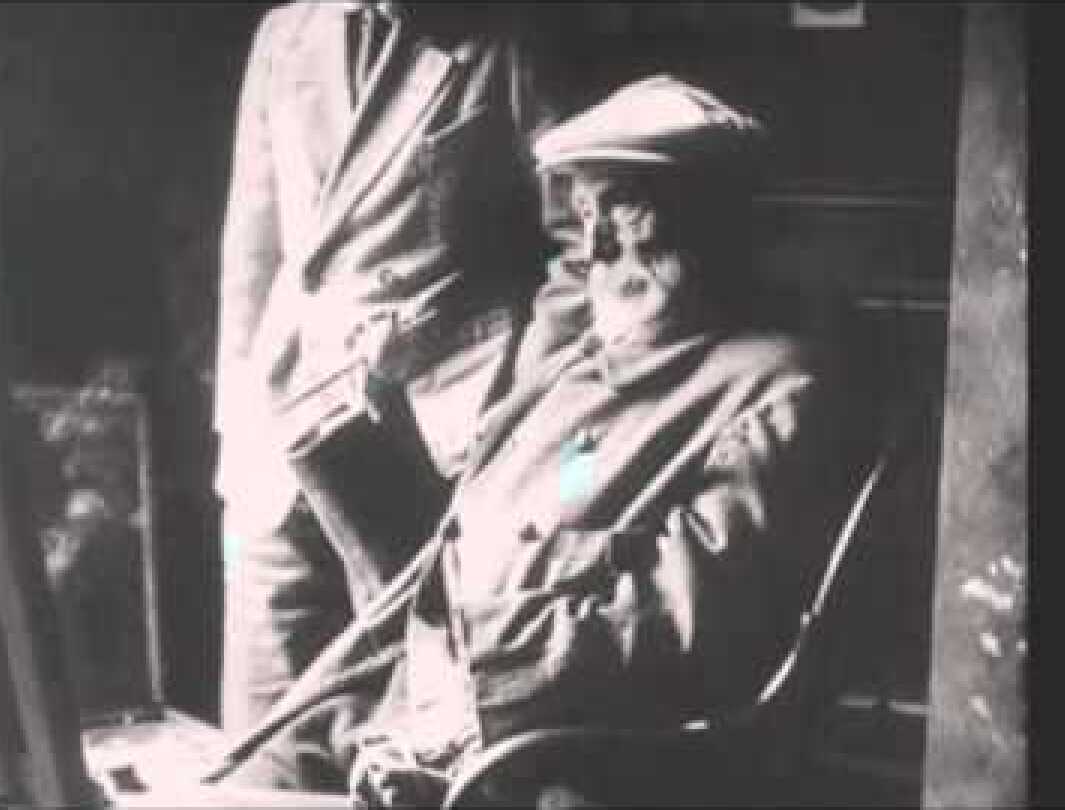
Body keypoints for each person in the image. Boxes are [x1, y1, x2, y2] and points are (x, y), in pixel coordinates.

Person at [207, 75, 868, 805]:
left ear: (710, 221)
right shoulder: (576, 364)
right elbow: (481, 542)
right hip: (422, 712)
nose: (599, 245)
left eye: (627, 211)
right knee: (244, 776)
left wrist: (473, 686)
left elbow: (685, 621)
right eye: (586, 216)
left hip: (549, 750)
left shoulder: (774, 388)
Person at [213, 1, 561, 736]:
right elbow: (252, 251)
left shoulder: (508, 42)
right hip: (284, 428)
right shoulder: (285, 34)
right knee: (266, 721)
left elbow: (575, 246)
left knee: (412, 716)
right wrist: (237, 432)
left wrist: (517, 417)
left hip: (431, 435)